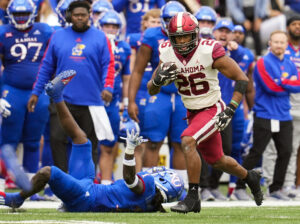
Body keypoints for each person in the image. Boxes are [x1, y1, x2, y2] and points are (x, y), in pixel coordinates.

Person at [0, 71, 185, 212]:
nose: (160, 170)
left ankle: (16, 199)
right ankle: (57, 96)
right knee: (82, 141)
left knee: (49, 172)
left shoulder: (149, 189)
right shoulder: (153, 203)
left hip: (86, 197)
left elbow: (130, 179)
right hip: (90, 189)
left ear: (163, 182)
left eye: (164, 173)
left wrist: (129, 150)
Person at [148, 12, 263, 213]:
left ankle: (193, 197)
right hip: (192, 111)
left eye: (186, 36)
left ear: (196, 34)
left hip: (211, 107)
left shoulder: (209, 50)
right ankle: (249, 176)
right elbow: (151, 88)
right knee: (217, 160)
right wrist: (158, 80)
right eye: (178, 37)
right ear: (170, 38)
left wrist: (231, 109)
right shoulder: (166, 51)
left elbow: (242, 78)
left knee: (187, 140)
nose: (182, 42)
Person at [27, 0, 115, 173]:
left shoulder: (100, 37)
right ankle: (63, 183)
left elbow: (108, 65)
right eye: (76, 15)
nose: (80, 18)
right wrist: (36, 92)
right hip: (62, 101)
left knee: (89, 144)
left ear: (89, 16)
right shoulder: (57, 36)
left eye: (83, 15)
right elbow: (46, 67)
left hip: (91, 102)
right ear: (69, 16)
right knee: (57, 140)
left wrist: (108, 87)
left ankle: (85, 185)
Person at [235, 30, 300, 200]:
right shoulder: (262, 62)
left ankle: (276, 188)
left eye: (282, 42)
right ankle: (239, 188)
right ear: (269, 43)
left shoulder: (290, 63)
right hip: (265, 115)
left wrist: (282, 82)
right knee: (257, 152)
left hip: (284, 116)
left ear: (286, 45)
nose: (279, 45)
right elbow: (271, 87)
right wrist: (287, 83)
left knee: (286, 152)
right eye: (276, 42)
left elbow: (298, 85)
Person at [128, 1, 187, 184]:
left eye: (175, 19)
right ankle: (150, 186)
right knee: (153, 142)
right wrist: (131, 100)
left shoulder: (192, 35)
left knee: (182, 143)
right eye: (168, 19)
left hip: (183, 94)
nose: (172, 24)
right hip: (159, 93)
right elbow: (138, 70)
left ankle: (181, 187)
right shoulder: (152, 35)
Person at [0, 0, 52, 192]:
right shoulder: (3, 32)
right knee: (7, 141)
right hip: (12, 91)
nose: (21, 18)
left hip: (38, 92)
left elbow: (53, 59)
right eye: (17, 14)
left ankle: (31, 189)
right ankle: (2, 185)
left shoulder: (45, 30)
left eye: (24, 14)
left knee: (32, 141)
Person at [262, 16, 300, 198]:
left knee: (290, 148)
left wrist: (286, 81)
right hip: (279, 104)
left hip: (293, 102)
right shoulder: (275, 55)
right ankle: (270, 183)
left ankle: (288, 183)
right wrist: (287, 81)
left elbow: (295, 82)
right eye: (294, 24)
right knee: (272, 148)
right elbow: (273, 83)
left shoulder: (289, 57)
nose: (298, 27)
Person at [97, 10, 131, 185]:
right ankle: (85, 182)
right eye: (107, 26)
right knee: (87, 143)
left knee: (109, 145)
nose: (110, 29)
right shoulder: (93, 42)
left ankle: (105, 183)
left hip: (112, 101)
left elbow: (126, 78)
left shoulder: (124, 47)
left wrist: (125, 103)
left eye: (114, 26)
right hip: (92, 100)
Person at [126, 8, 161, 172]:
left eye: (158, 22)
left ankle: (148, 178)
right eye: (152, 21)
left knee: (152, 138)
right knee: (138, 141)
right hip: (139, 90)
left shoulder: (163, 40)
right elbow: (132, 69)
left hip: (154, 90)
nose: (156, 24)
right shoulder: (135, 39)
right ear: (145, 23)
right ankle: (138, 179)